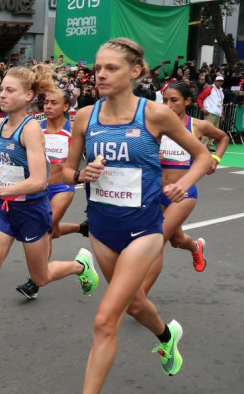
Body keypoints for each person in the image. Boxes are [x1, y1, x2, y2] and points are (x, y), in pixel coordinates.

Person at [61, 38, 211, 392]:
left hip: (143, 231)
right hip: (100, 229)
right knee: (134, 305)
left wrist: (183, 183)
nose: (100, 74)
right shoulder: (85, 116)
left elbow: (202, 156)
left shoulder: (155, 114)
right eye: (97, 68)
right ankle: (166, 334)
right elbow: (65, 172)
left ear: (136, 71)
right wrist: (81, 175)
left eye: (111, 68)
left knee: (104, 320)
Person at [0, 64, 100, 367]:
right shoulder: (2, 124)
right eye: (1, 88)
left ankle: (78, 265)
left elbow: (39, 181)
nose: (2, 94)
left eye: (9, 90)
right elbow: (8, 174)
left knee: (40, 277)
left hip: (31, 210)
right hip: (4, 211)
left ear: (29, 95)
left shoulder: (30, 128)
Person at [137, 81, 228, 294]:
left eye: (174, 100)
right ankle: (196, 247)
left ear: (187, 101)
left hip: (184, 193)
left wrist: (215, 158)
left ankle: (139, 297)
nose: (168, 105)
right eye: (165, 100)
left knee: (156, 240)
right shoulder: (155, 126)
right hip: (156, 192)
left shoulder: (198, 126)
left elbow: (222, 137)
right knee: (176, 240)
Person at [15, 90, 90, 299]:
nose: (48, 106)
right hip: (39, 189)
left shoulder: (73, 130)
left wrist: (85, 175)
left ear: (65, 107)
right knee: (53, 230)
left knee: (45, 231)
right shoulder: (36, 129)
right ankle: (81, 227)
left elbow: (91, 152)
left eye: (53, 103)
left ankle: (34, 282)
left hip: (62, 188)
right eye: (46, 102)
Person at [196, 75, 225, 150]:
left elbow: (221, 103)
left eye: (221, 81)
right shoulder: (209, 89)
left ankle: (209, 146)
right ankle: (202, 147)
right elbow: (199, 98)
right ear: (215, 81)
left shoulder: (221, 91)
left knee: (214, 131)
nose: (220, 82)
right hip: (210, 113)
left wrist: (222, 113)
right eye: (218, 81)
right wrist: (202, 108)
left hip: (217, 114)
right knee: (207, 130)